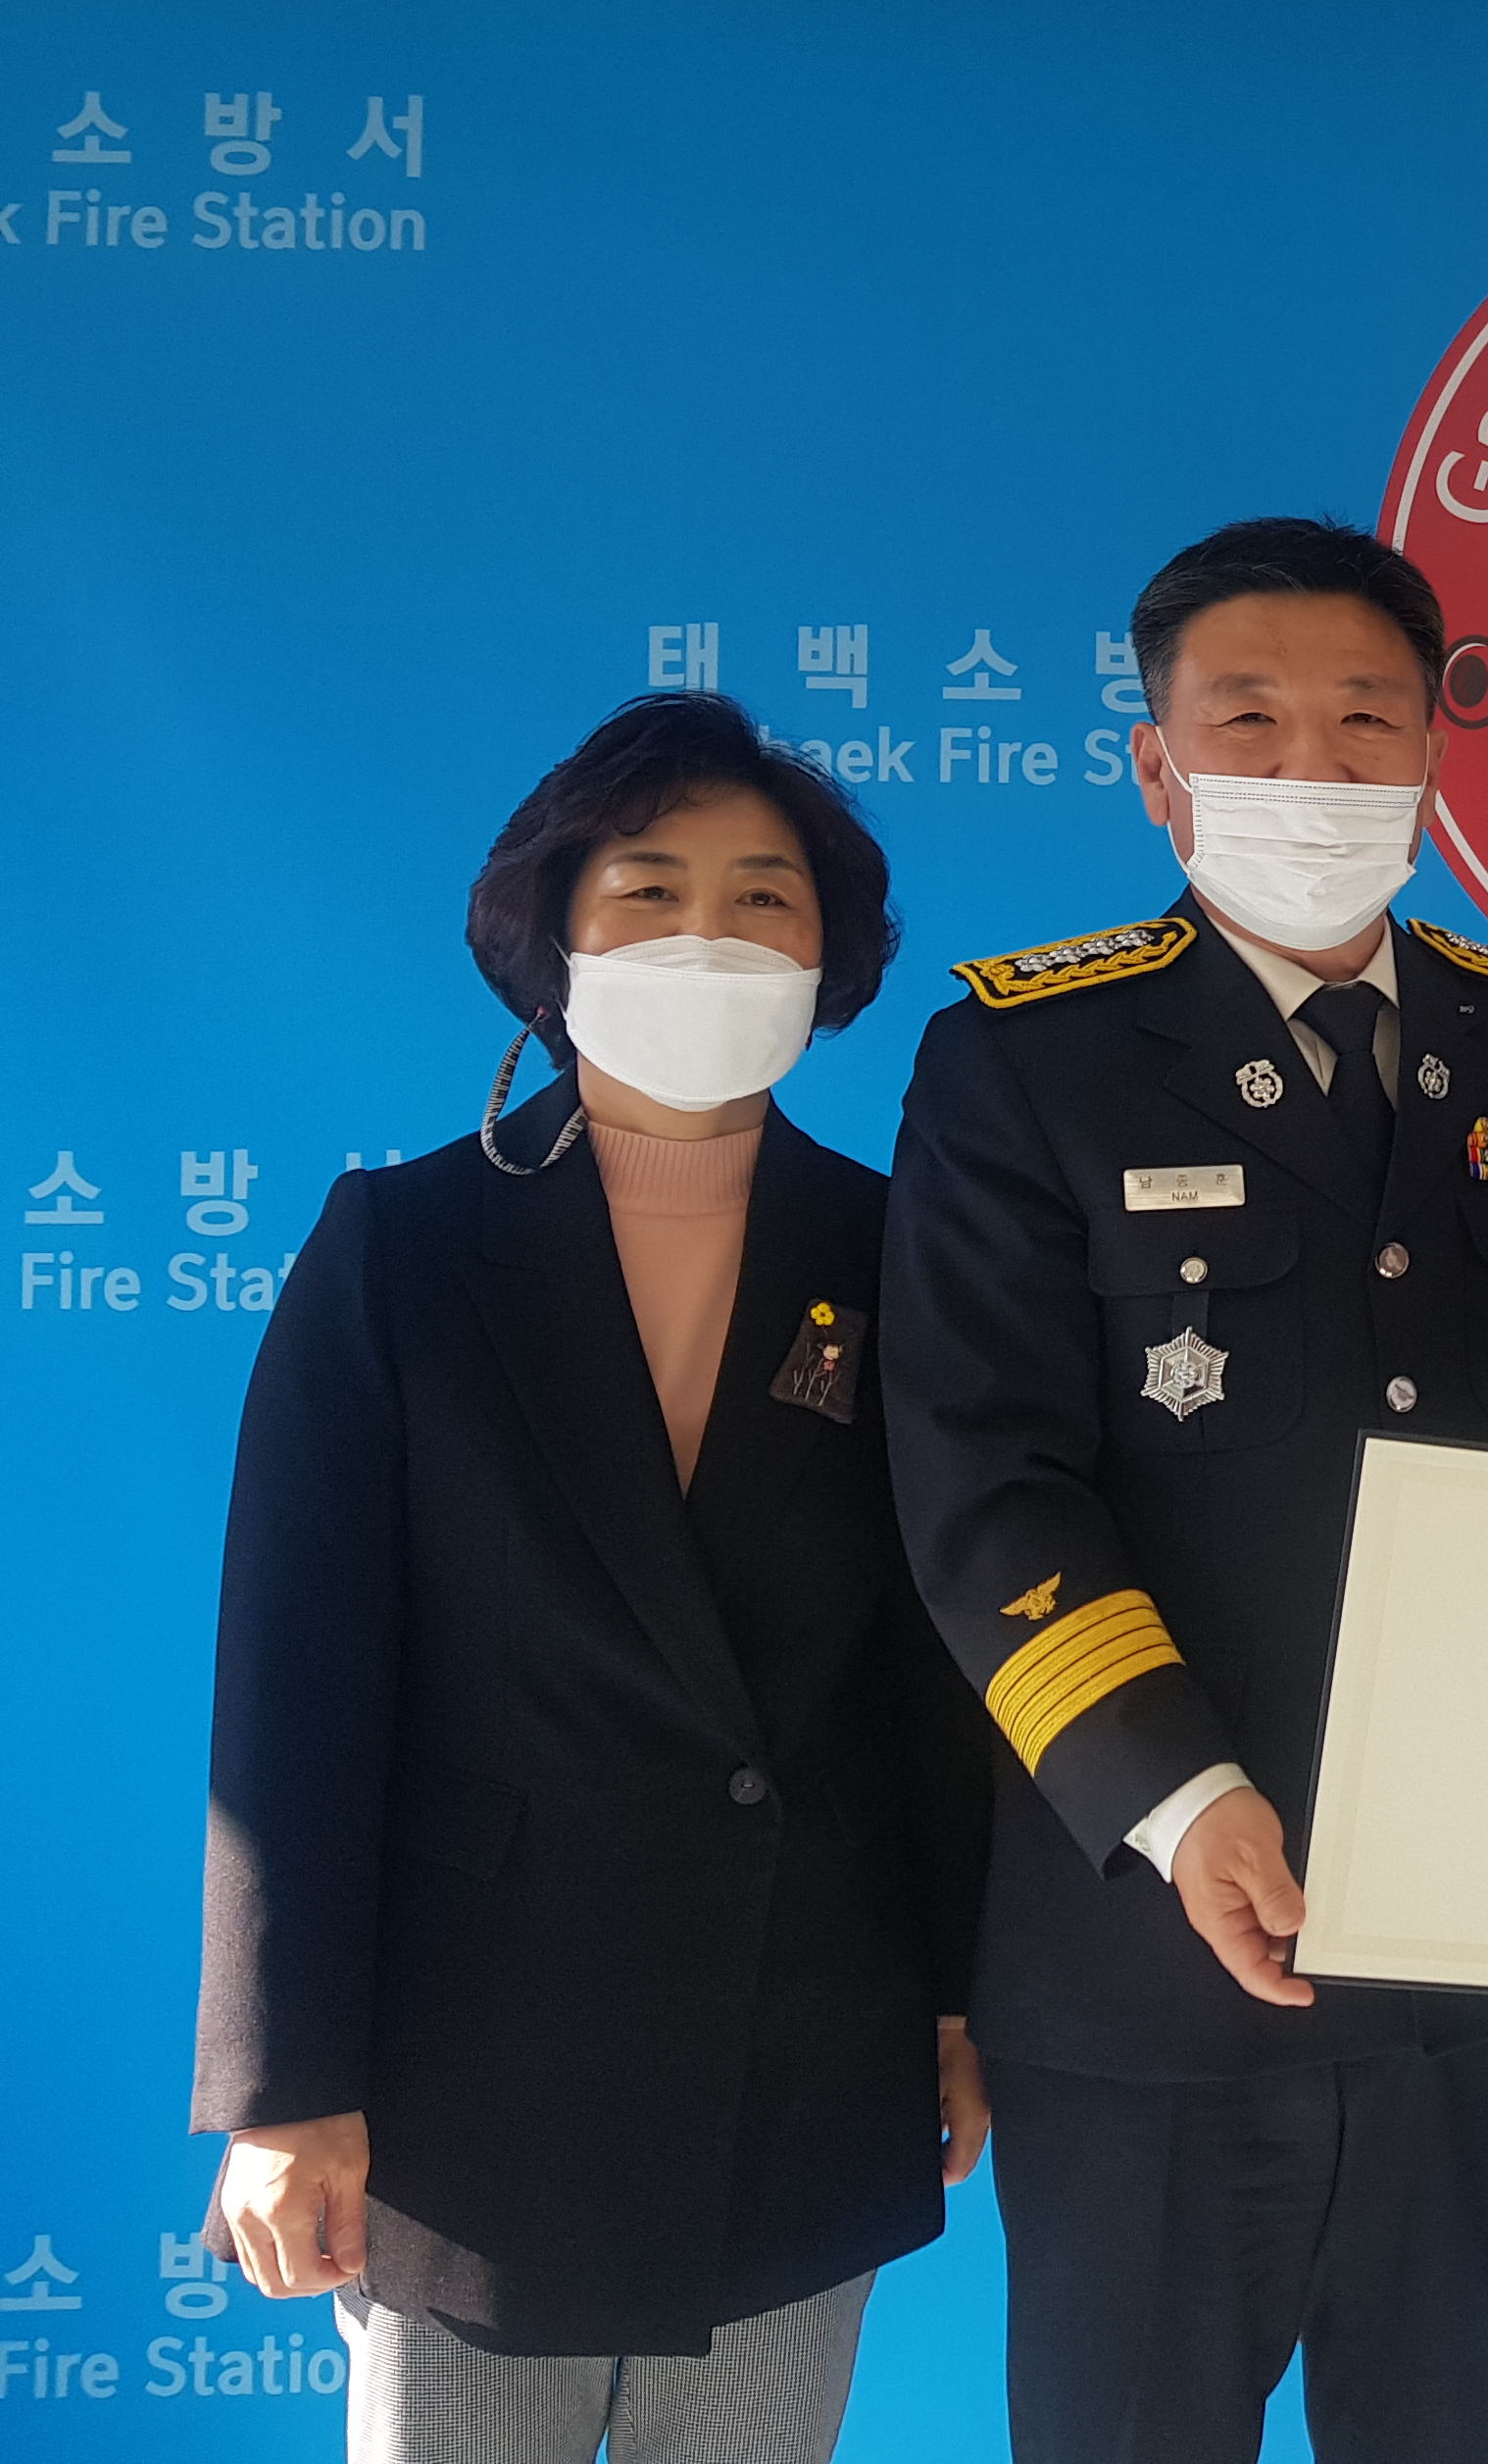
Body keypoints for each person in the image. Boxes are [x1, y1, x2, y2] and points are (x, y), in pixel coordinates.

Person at [883, 514, 1488, 2464]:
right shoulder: (1025, 1059)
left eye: (1366, 720)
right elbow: (985, 1486)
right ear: (1159, 768)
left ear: (1434, 758)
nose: (1315, 766)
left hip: (1472, 1959)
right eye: (1252, 722)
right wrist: (1181, 1797)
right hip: (1141, 1971)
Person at [193, 692, 991, 2464]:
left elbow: (938, 1673)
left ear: (830, 955)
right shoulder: (403, 1248)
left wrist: (957, 1997)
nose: (708, 935)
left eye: (763, 896)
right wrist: (285, 2087)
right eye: (648, 890)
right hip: (467, 2075)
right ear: (552, 935)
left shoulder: (904, 1251)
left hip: (808, 2039)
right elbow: (293, 1693)